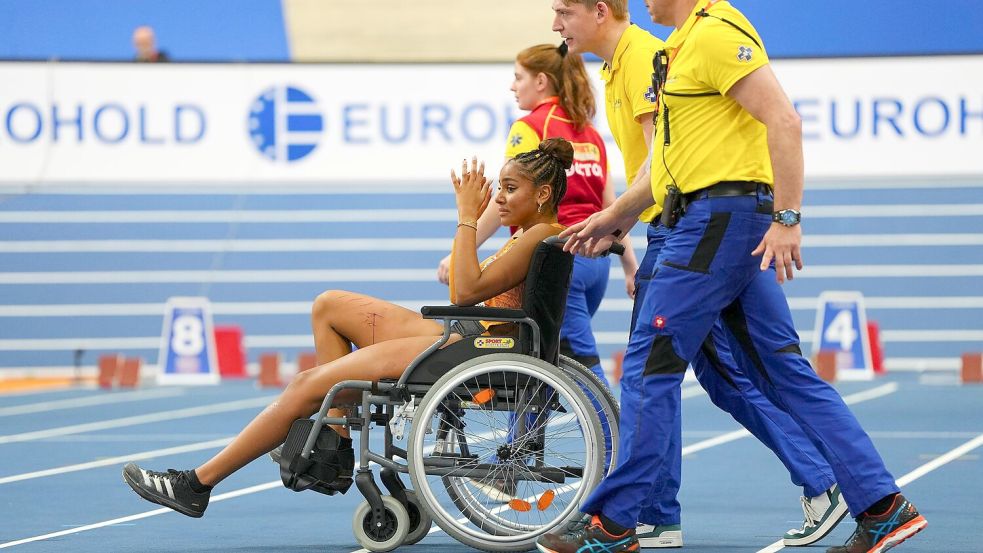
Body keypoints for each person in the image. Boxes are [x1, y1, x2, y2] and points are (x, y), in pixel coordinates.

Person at [537, 1, 927, 553]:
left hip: (718, 220)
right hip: (706, 217)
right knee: (782, 372)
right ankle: (884, 507)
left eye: (563, 10)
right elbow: (673, 161)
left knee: (651, 366)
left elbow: (785, 120)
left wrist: (788, 218)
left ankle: (617, 523)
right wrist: (618, 215)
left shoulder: (716, 34)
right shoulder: (679, 44)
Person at [121, 139, 576, 518]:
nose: (498, 197)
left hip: (477, 346)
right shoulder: (529, 235)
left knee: (309, 385)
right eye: (499, 188)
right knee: (329, 306)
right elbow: (467, 292)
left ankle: (197, 484)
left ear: (542, 194)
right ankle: (334, 441)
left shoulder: (538, 236)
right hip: (471, 336)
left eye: (510, 189)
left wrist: (466, 217)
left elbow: (463, 290)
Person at [437, 43, 639, 386]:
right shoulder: (590, 134)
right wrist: (629, 264)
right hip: (598, 264)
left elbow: (510, 197)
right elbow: (611, 206)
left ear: (541, 81)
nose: (513, 86)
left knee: (579, 367)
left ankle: (613, 437)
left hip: (557, 255)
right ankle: (525, 440)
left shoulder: (529, 128)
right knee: (541, 362)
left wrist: (459, 253)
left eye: (519, 78)